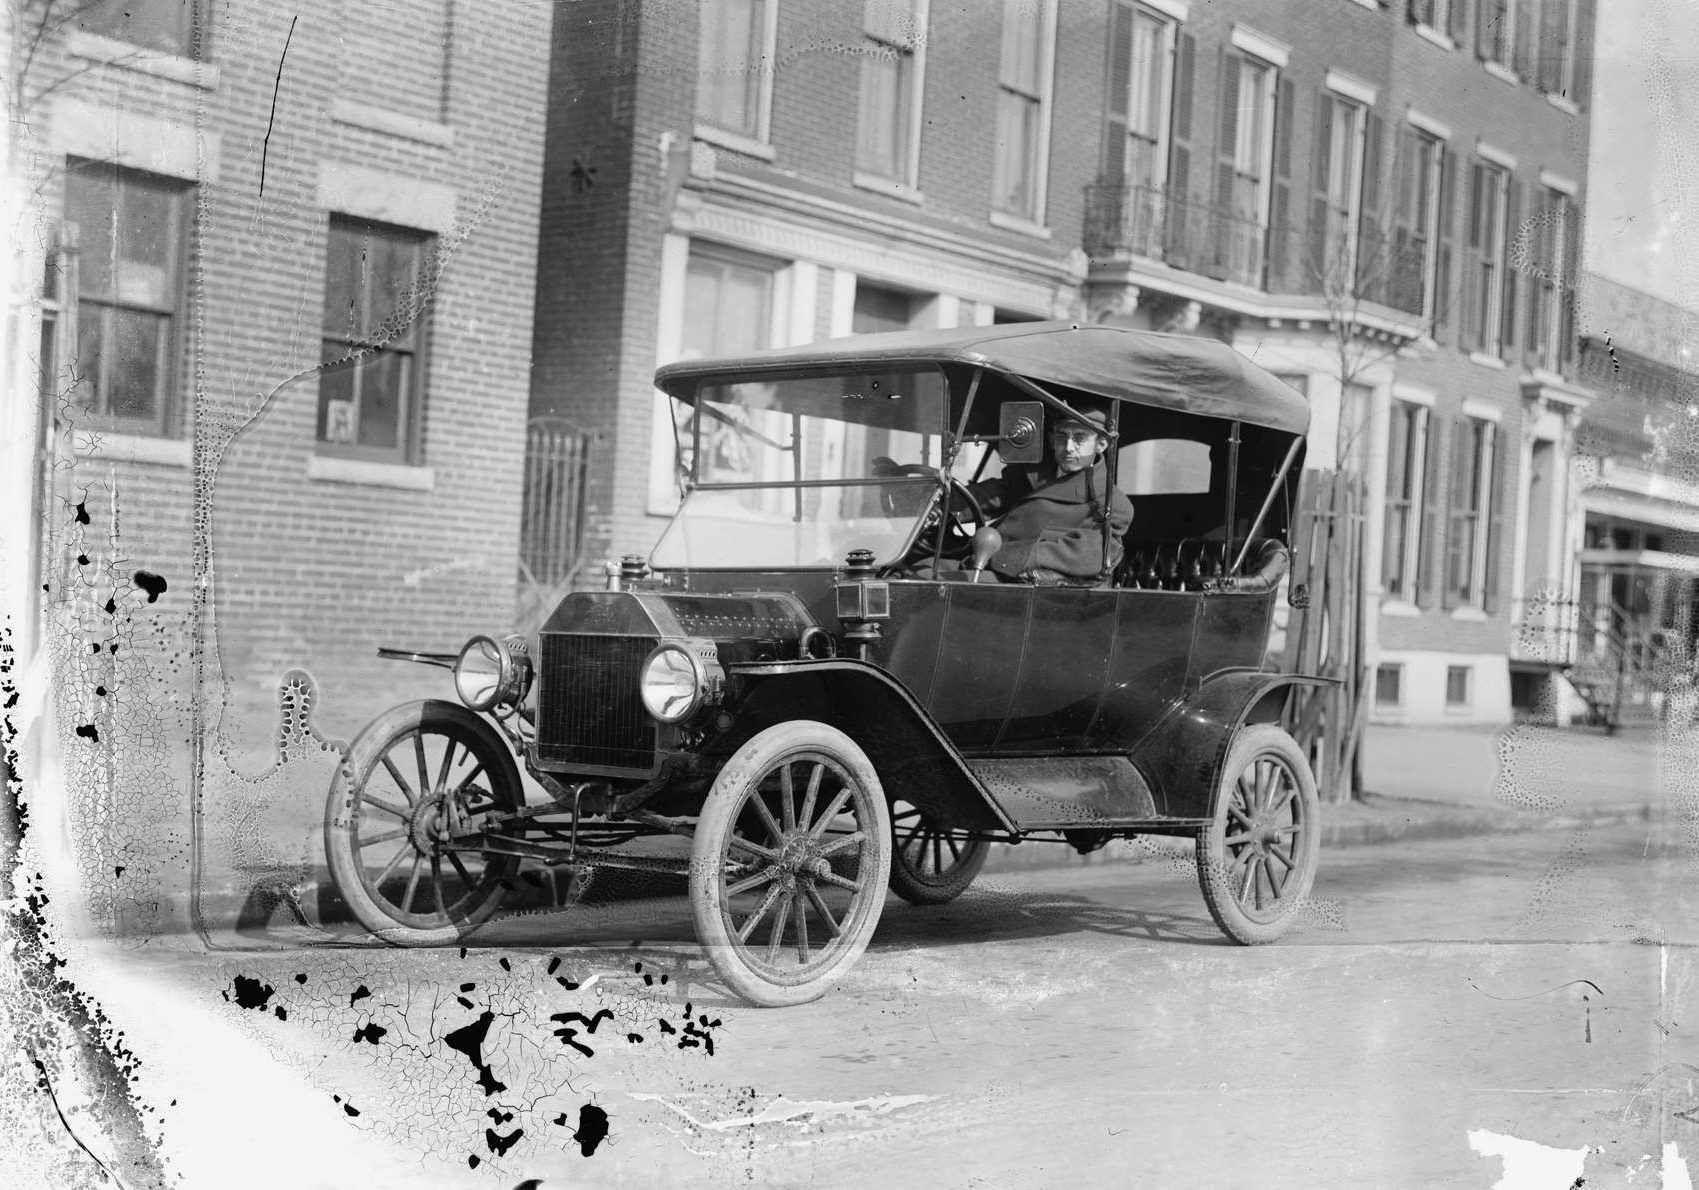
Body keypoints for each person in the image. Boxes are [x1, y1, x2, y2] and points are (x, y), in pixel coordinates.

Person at [966, 404, 1134, 585]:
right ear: (1052, 440)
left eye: (1079, 438)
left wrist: (1007, 556)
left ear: (1101, 444)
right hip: (984, 559)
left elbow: (1088, 555)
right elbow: (989, 496)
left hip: (1023, 580)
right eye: (1061, 437)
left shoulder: (1110, 502)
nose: (1068, 447)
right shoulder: (1030, 474)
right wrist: (948, 500)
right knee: (940, 568)